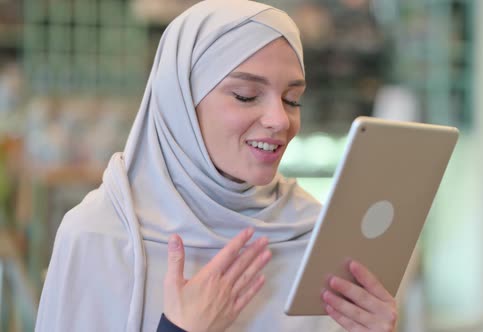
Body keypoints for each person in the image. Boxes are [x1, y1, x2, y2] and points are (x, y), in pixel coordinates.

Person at [34, 1, 398, 331]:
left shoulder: (314, 235)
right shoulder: (100, 236)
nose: (279, 120)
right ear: (180, 102)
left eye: (292, 100)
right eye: (245, 95)